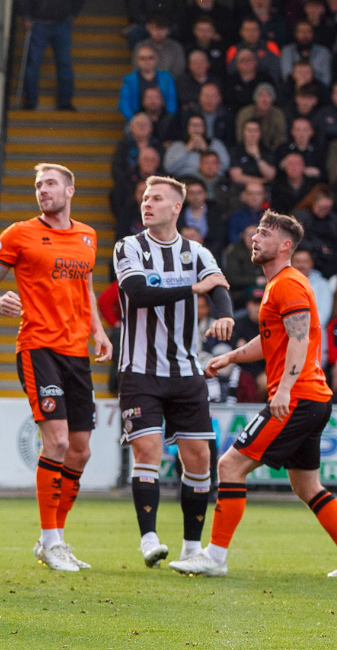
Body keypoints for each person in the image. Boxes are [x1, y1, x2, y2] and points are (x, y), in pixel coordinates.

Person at [173, 211, 337, 577]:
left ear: (285, 245)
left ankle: (214, 557)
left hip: (297, 398)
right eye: (256, 231)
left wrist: (285, 390)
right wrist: (230, 356)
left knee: (230, 465)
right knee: (308, 485)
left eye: (265, 233)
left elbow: (298, 338)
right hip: (312, 398)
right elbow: (271, 341)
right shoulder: (278, 285)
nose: (256, 238)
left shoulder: (288, 284)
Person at [0, 163, 113, 571]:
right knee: (55, 442)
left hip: (77, 352)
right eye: (38, 185)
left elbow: (86, 288)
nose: (43, 190)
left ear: (70, 190)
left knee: (81, 450)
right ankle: (51, 541)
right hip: (38, 348)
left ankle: (54, 538)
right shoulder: (18, 233)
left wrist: (99, 332)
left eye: (50, 184)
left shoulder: (88, 236)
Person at [112, 176, 236, 569]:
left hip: (185, 369)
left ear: (176, 207)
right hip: (140, 369)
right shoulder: (128, 247)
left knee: (198, 458)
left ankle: (191, 548)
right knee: (147, 449)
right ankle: (148, 538)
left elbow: (218, 286)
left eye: (157, 198)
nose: (147, 203)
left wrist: (224, 316)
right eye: (145, 197)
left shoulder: (197, 252)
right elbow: (139, 292)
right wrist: (193, 288)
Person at [17, 0, 82, 111]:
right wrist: (26, 16)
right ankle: (31, 101)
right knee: (35, 64)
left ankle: (63, 102)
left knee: (63, 63)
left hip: (58, 22)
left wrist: (72, 13)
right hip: (41, 22)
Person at [121, 45, 179, 120]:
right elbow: (124, 104)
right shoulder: (129, 80)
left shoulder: (166, 77)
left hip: (163, 119)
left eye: (150, 58)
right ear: (137, 61)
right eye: (142, 59)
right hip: (138, 118)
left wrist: (168, 119)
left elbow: (171, 100)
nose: (146, 61)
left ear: (156, 59)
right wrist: (134, 120)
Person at [178, 177, 228, 259]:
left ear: (205, 194)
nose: (196, 197)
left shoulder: (216, 213)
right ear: (186, 195)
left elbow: (220, 239)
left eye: (199, 193)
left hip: (211, 256)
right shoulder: (178, 214)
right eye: (192, 193)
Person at [164, 114, 230, 175]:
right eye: (193, 125)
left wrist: (207, 150)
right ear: (187, 127)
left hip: (211, 180)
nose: (196, 128)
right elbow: (169, 168)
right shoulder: (177, 145)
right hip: (186, 179)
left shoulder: (216, 144)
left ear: (204, 128)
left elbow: (225, 167)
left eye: (199, 125)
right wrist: (186, 150)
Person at [226, 16, 283, 83]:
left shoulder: (271, 46)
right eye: (247, 30)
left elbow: (275, 73)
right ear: (241, 32)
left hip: (266, 87)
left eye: (254, 29)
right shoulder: (233, 50)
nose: (251, 33)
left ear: (260, 31)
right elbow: (231, 73)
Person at [296, 185, 337, 277]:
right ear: (313, 203)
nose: (324, 211)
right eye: (321, 208)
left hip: (330, 259)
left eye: (327, 209)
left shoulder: (332, 219)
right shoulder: (302, 215)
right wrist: (318, 247)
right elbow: (296, 238)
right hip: (311, 255)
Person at [228, 118, 278, 189]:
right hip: (242, 189)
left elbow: (270, 175)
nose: (252, 134)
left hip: (263, 190)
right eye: (249, 130)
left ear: (260, 133)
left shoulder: (267, 151)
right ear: (243, 132)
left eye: (255, 131)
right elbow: (236, 177)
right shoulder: (235, 150)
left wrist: (257, 157)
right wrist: (261, 181)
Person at [292, 248, 333, 333]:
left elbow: (322, 317)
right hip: (286, 339)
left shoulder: (322, 284)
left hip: (315, 339)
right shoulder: (283, 283)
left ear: (311, 263)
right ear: (291, 263)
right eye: (297, 261)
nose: (301, 265)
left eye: (305, 261)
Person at [235, 83, 288, 150]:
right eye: (261, 95)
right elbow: (240, 137)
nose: (264, 99)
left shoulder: (278, 114)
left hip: (271, 151)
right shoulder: (245, 113)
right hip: (247, 149)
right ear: (256, 98)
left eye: (268, 95)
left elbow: (281, 137)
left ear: (272, 99)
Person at [281, 20, 332, 85]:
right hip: (293, 89)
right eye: (301, 31)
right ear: (296, 33)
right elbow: (286, 76)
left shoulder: (323, 52)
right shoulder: (287, 51)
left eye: (308, 31)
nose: (305, 35)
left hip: (317, 90)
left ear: (313, 34)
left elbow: (326, 79)